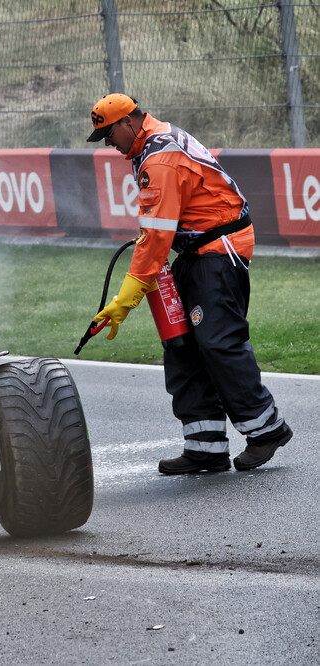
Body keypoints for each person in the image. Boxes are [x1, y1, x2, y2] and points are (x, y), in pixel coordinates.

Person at [86, 93, 292, 475]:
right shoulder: (151, 145)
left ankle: (267, 429)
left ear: (129, 122)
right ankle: (205, 446)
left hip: (219, 247)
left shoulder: (159, 158)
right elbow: (159, 230)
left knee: (217, 340)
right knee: (181, 343)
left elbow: (156, 237)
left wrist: (126, 299)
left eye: (109, 135)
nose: (109, 145)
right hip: (197, 249)